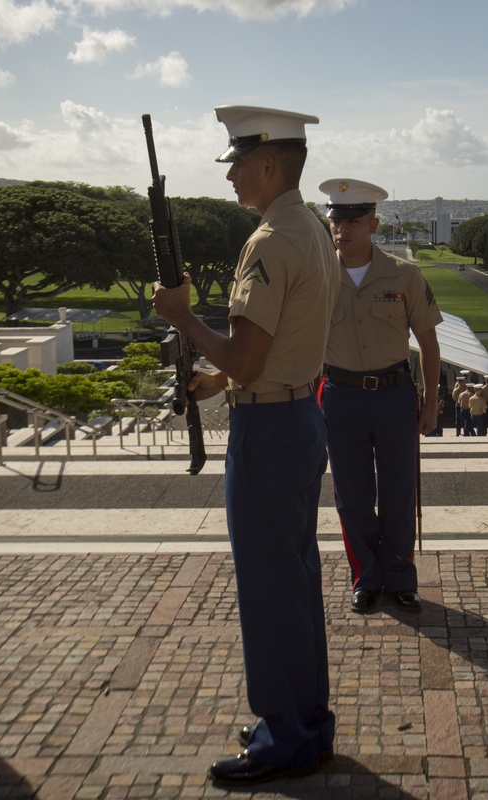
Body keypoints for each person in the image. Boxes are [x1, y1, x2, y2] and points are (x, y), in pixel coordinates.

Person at [151, 105, 339, 785]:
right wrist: (215, 382)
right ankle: (306, 721)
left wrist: (182, 316)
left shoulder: (266, 241)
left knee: (269, 588)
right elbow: (265, 354)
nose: (230, 175)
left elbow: (248, 356)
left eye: (236, 163)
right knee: (294, 581)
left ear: (267, 164)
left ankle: (283, 735)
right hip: (295, 417)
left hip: (269, 428)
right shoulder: (311, 228)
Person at [315, 178, 442, 615]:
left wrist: (430, 403)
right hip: (339, 395)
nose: (342, 229)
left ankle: (401, 575)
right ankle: (366, 577)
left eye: (352, 221)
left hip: (393, 395)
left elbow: (429, 343)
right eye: (336, 219)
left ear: (373, 224)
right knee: (350, 495)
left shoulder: (404, 274)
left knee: (398, 492)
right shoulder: (317, 276)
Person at [451, 370, 469, 436]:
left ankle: (458, 431)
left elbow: (453, 396)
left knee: (459, 418)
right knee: (464, 418)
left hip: (458, 403)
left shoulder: (458, 384)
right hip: (463, 403)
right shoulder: (465, 384)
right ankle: (462, 431)